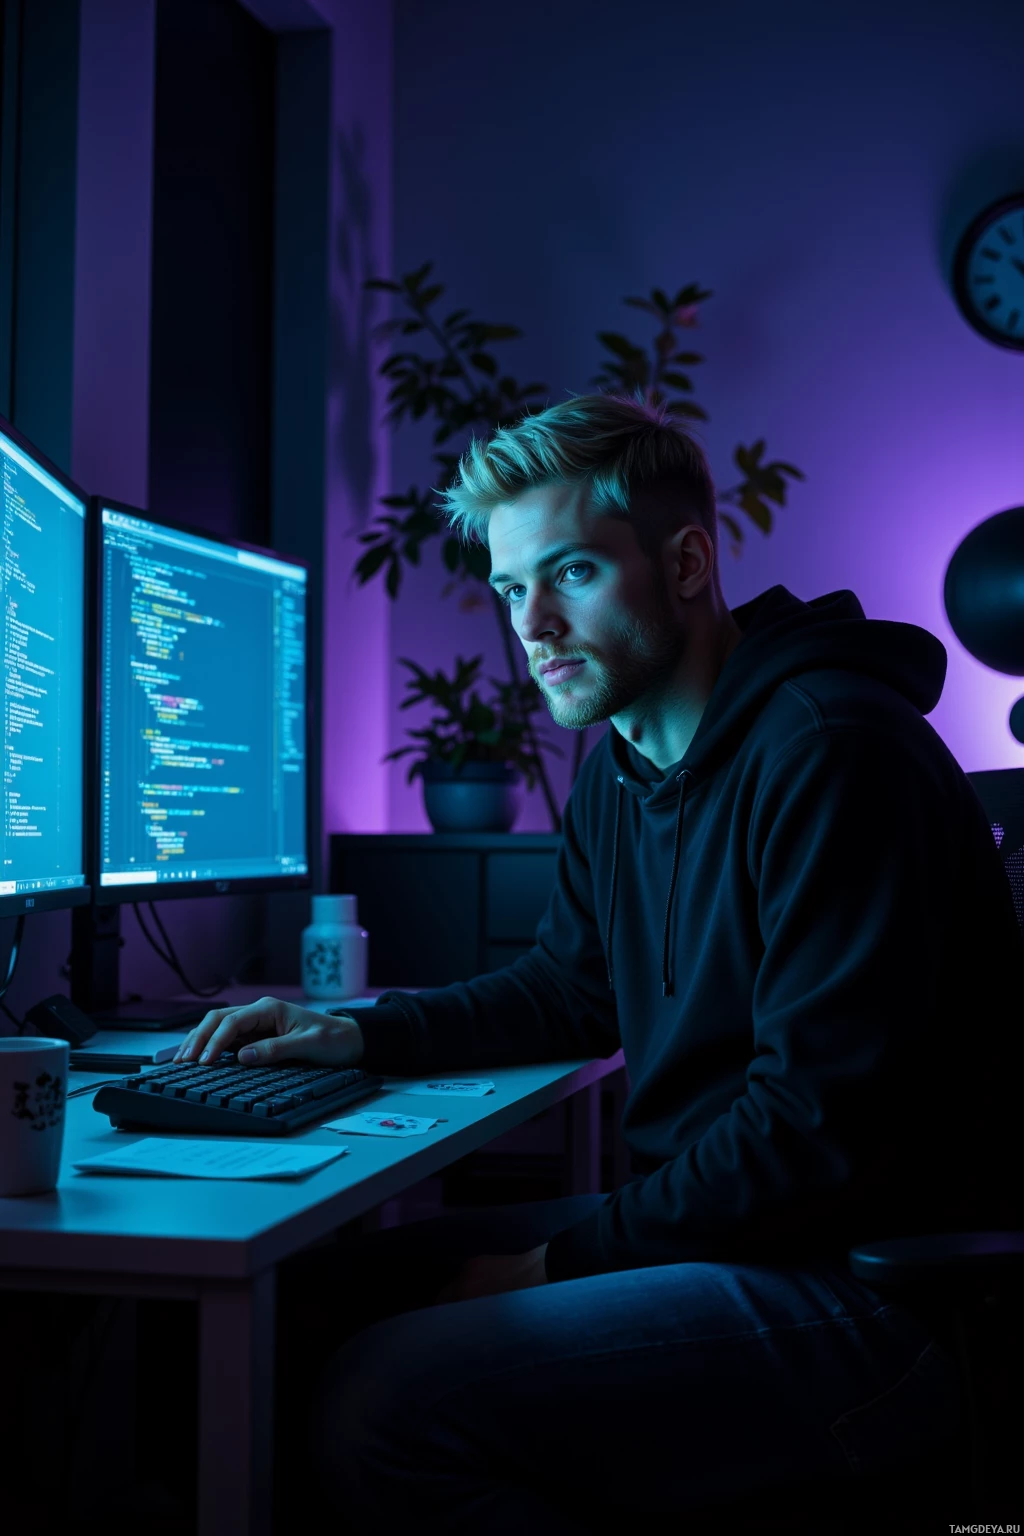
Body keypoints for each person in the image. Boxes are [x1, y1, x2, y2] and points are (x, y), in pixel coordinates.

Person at [176, 392, 1021, 1531]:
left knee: (385, 1405)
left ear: (684, 564)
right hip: (734, 1238)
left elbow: (815, 1132)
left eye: (569, 574)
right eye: (512, 588)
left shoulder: (829, 751)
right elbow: (571, 988)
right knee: (313, 1297)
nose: (531, 625)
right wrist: (361, 1031)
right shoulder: (625, 765)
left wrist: (552, 1263)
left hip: (872, 1294)